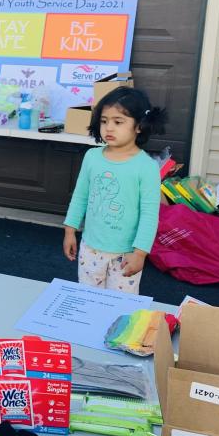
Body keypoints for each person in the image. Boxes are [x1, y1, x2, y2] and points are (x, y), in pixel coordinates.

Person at [62, 87, 166, 293]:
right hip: (90, 248)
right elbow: (80, 196)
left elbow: (149, 215)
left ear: (139, 126)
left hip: (126, 254)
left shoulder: (147, 167)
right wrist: (69, 230)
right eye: (103, 121)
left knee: (120, 308)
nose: (109, 128)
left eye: (118, 122)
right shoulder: (92, 157)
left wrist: (140, 253)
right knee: (88, 300)